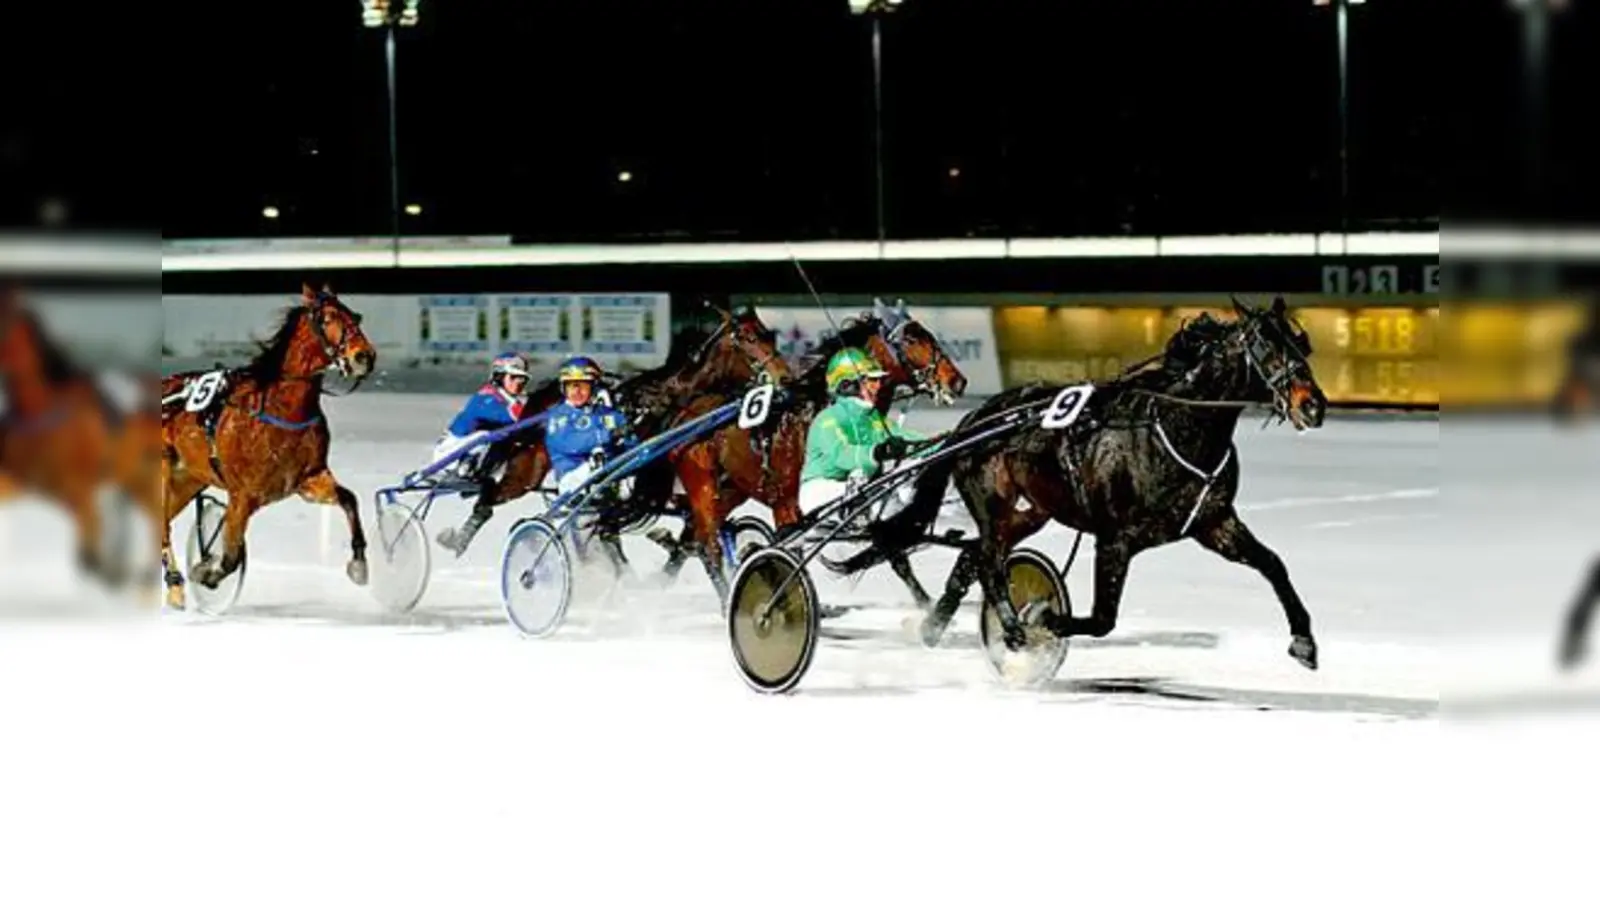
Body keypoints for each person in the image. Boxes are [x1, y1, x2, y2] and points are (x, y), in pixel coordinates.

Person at [798, 347, 921, 519]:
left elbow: (906, 436)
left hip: (861, 490)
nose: (879, 386)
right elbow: (841, 455)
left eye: (878, 380)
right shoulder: (826, 419)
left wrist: (949, 438)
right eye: (871, 380)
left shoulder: (873, 418)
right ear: (848, 385)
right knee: (860, 479)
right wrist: (877, 452)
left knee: (899, 500)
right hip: (820, 492)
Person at [545, 355, 637, 496]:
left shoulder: (610, 415)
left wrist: (630, 434)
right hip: (572, 476)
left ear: (594, 388)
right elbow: (568, 443)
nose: (577, 392)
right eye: (571, 386)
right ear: (563, 388)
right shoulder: (559, 415)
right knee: (597, 461)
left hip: (613, 475)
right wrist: (608, 435)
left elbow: (632, 446)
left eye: (583, 386)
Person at [431, 353, 531, 481]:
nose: (518, 383)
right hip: (449, 453)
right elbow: (506, 415)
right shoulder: (486, 397)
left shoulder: (511, 400)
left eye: (522, 380)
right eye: (513, 377)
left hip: (473, 448)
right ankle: (465, 468)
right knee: (487, 434)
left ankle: (490, 471)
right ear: (499, 376)